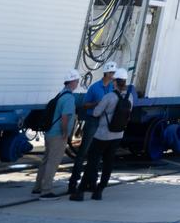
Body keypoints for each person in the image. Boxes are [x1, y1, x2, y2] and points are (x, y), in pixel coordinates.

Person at [70, 67, 134, 201]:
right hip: (118, 134)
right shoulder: (130, 97)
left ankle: (80, 191)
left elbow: (96, 113)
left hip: (102, 135)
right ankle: (99, 191)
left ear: (115, 82)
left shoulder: (109, 96)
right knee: (108, 163)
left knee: (92, 162)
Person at [68, 62, 116, 190]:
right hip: (93, 121)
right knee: (84, 151)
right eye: (111, 73)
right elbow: (85, 105)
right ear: (106, 73)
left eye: (114, 74)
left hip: (104, 123)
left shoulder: (113, 88)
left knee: (96, 154)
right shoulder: (95, 88)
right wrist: (97, 103)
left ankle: (92, 182)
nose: (113, 76)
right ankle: (73, 183)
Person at [33, 69, 80, 197]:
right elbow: (65, 118)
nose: (77, 83)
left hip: (49, 132)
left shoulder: (60, 94)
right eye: (77, 81)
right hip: (58, 135)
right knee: (52, 163)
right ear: (73, 82)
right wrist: (65, 133)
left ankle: (37, 187)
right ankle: (46, 191)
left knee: (46, 160)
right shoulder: (69, 98)